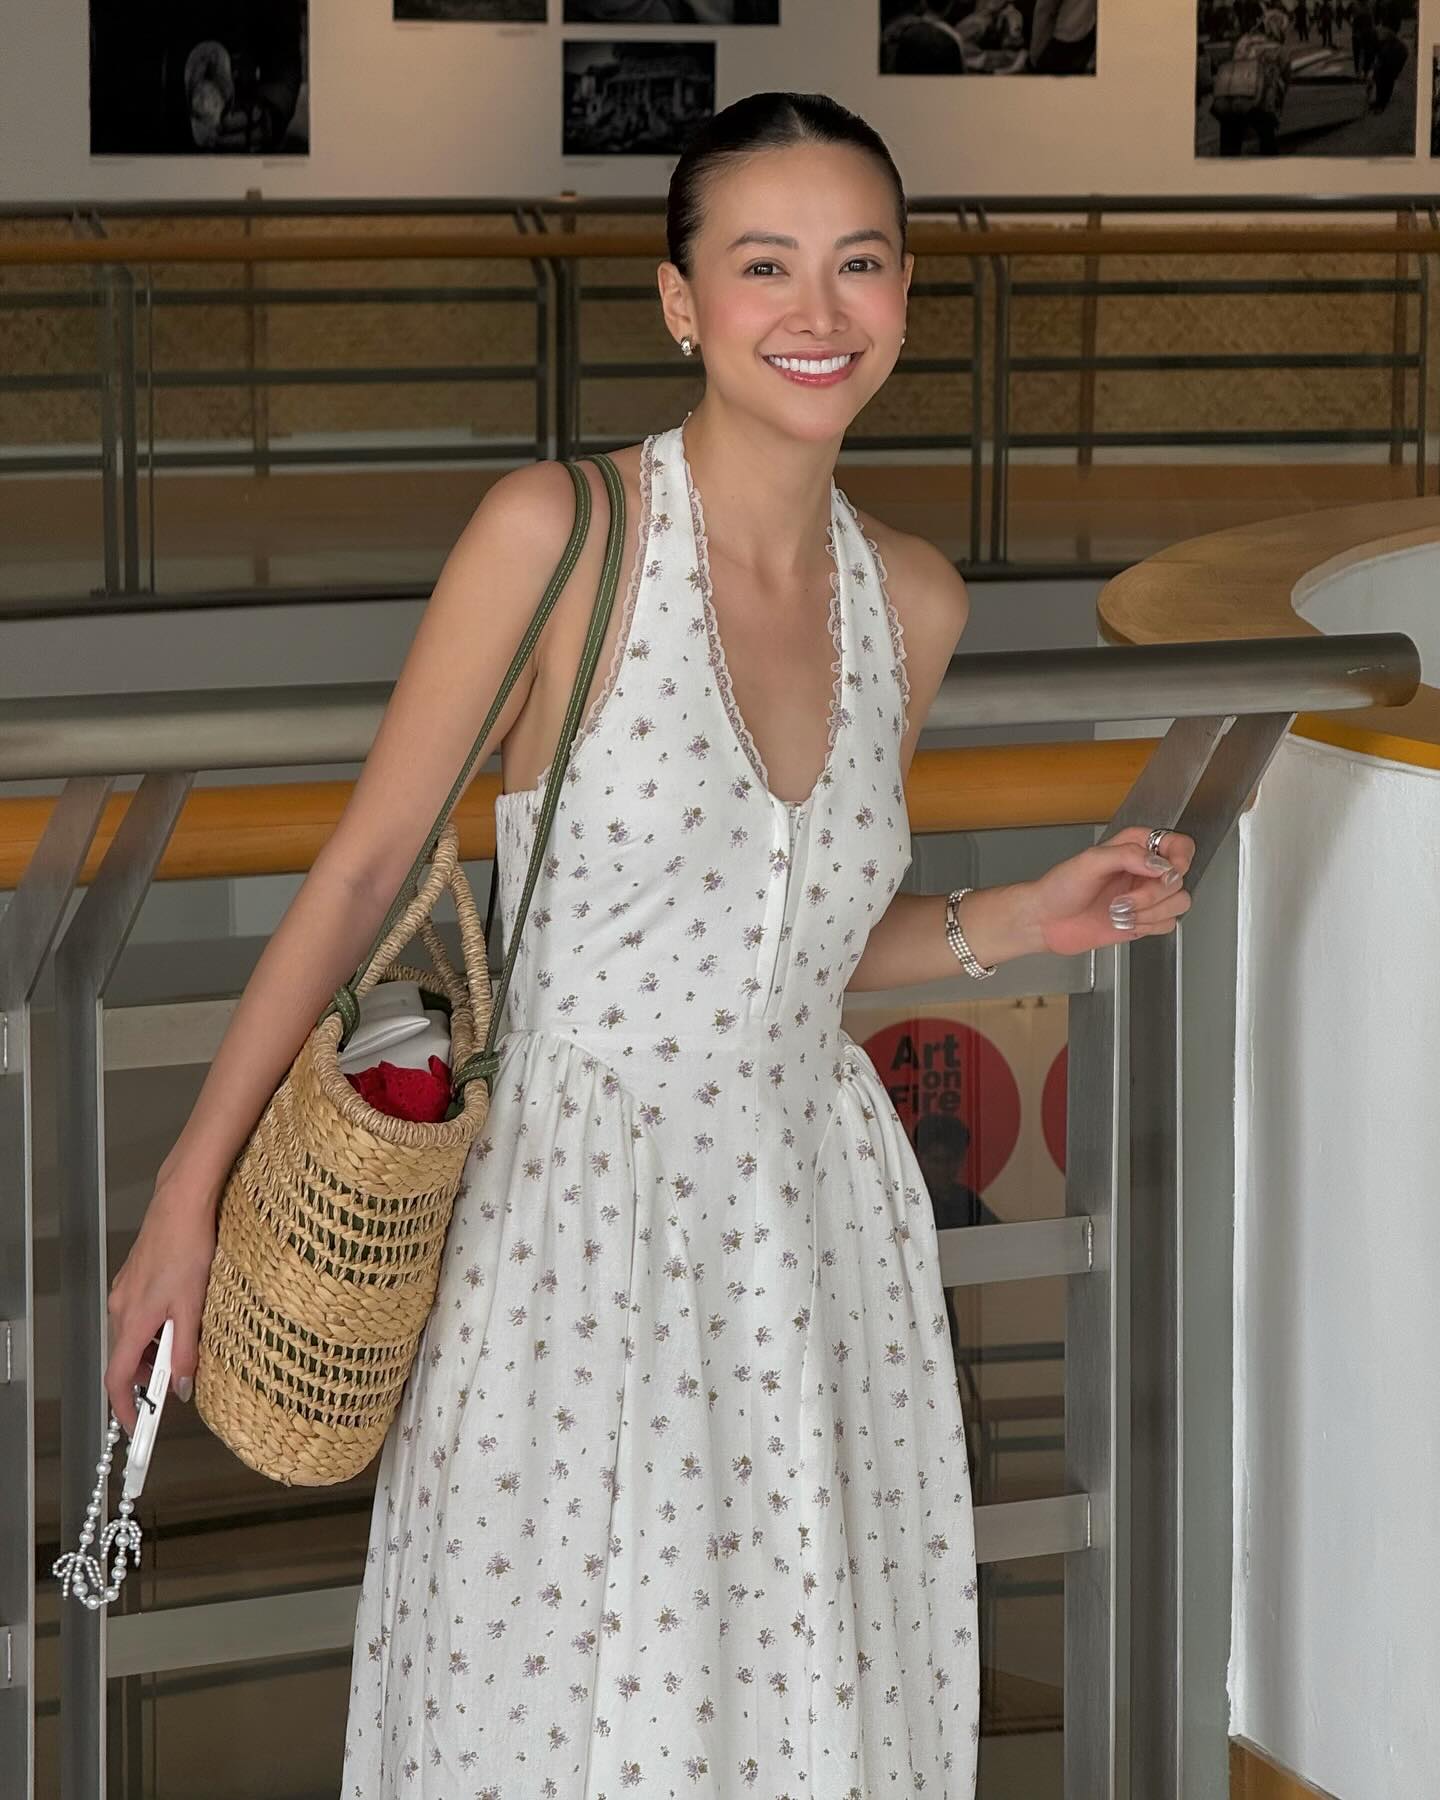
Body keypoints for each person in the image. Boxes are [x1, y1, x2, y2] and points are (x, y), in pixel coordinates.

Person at [103, 89, 1193, 1796]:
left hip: (816, 1231)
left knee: (800, 1714)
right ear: (682, 302)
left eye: (860, 263)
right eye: (765, 265)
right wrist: (187, 1200)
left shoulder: (914, 600)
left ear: (908, 294)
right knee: (556, 1720)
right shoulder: (561, 536)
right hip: (570, 1230)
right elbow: (366, 867)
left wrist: (1016, 921)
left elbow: (786, 949)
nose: (817, 310)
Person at [1214, 7, 1291, 154]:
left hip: (1228, 96)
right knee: (1268, 142)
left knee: (1230, 145)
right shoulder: (1278, 49)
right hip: (1257, 101)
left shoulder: (1243, 41)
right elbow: (1286, 77)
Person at [1368, 0, 1409, 111]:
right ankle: (1380, 101)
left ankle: (1382, 103)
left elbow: (1380, 56)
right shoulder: (1378, 34)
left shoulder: (1381, 36)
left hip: (1398, 54)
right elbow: (1375, 57)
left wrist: (1375, 70)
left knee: (1386, 77)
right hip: (1394, 51)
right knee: (1381, 75)